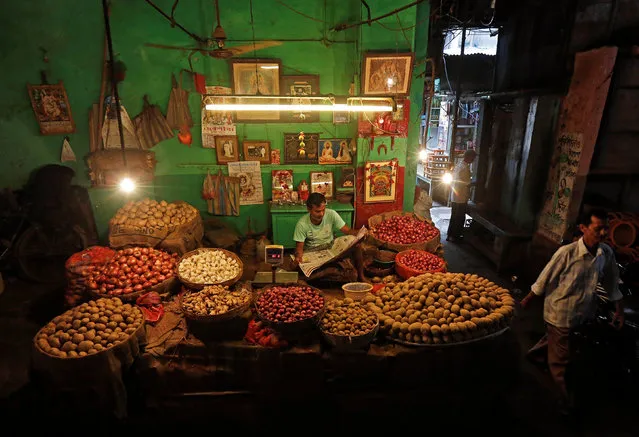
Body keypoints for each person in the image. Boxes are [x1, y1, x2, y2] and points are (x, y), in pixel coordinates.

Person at [520, 209, 625, 413]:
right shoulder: (566, 253)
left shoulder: (606, 253)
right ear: (583, 228)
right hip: (560, 312)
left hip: (583, 312)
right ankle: (565, 400)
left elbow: (612, 283)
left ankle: (534, 356)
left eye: (606, 229)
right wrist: (527, 300)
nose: (603, 233)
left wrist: (619, 309)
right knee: (562, 360)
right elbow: (544, 278)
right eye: (598, 229)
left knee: (557, 341)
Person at [293, 193, 367, 282]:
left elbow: (348, 231)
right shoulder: (302, 224)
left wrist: (360, 233)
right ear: (309, 209)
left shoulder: (331, 214)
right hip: (313, 252)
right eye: (317, 211)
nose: (321, 214)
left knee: (357, 246)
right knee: (348, 275)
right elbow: (299, 249)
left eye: (323, 210)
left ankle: (361, 276)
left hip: (331, 248)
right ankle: (311, 277)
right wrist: (298, 259)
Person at [446, 149, 476, 242]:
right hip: (461, 196)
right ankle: (455, 237)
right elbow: (466, 183)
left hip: (455, 196)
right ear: (469, 157)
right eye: (473, 157)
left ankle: (450, 235)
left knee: (454, 216)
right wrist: (475, 183)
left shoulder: (459, 165)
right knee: (459, 218)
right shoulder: (465, 168)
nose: (474, 160)